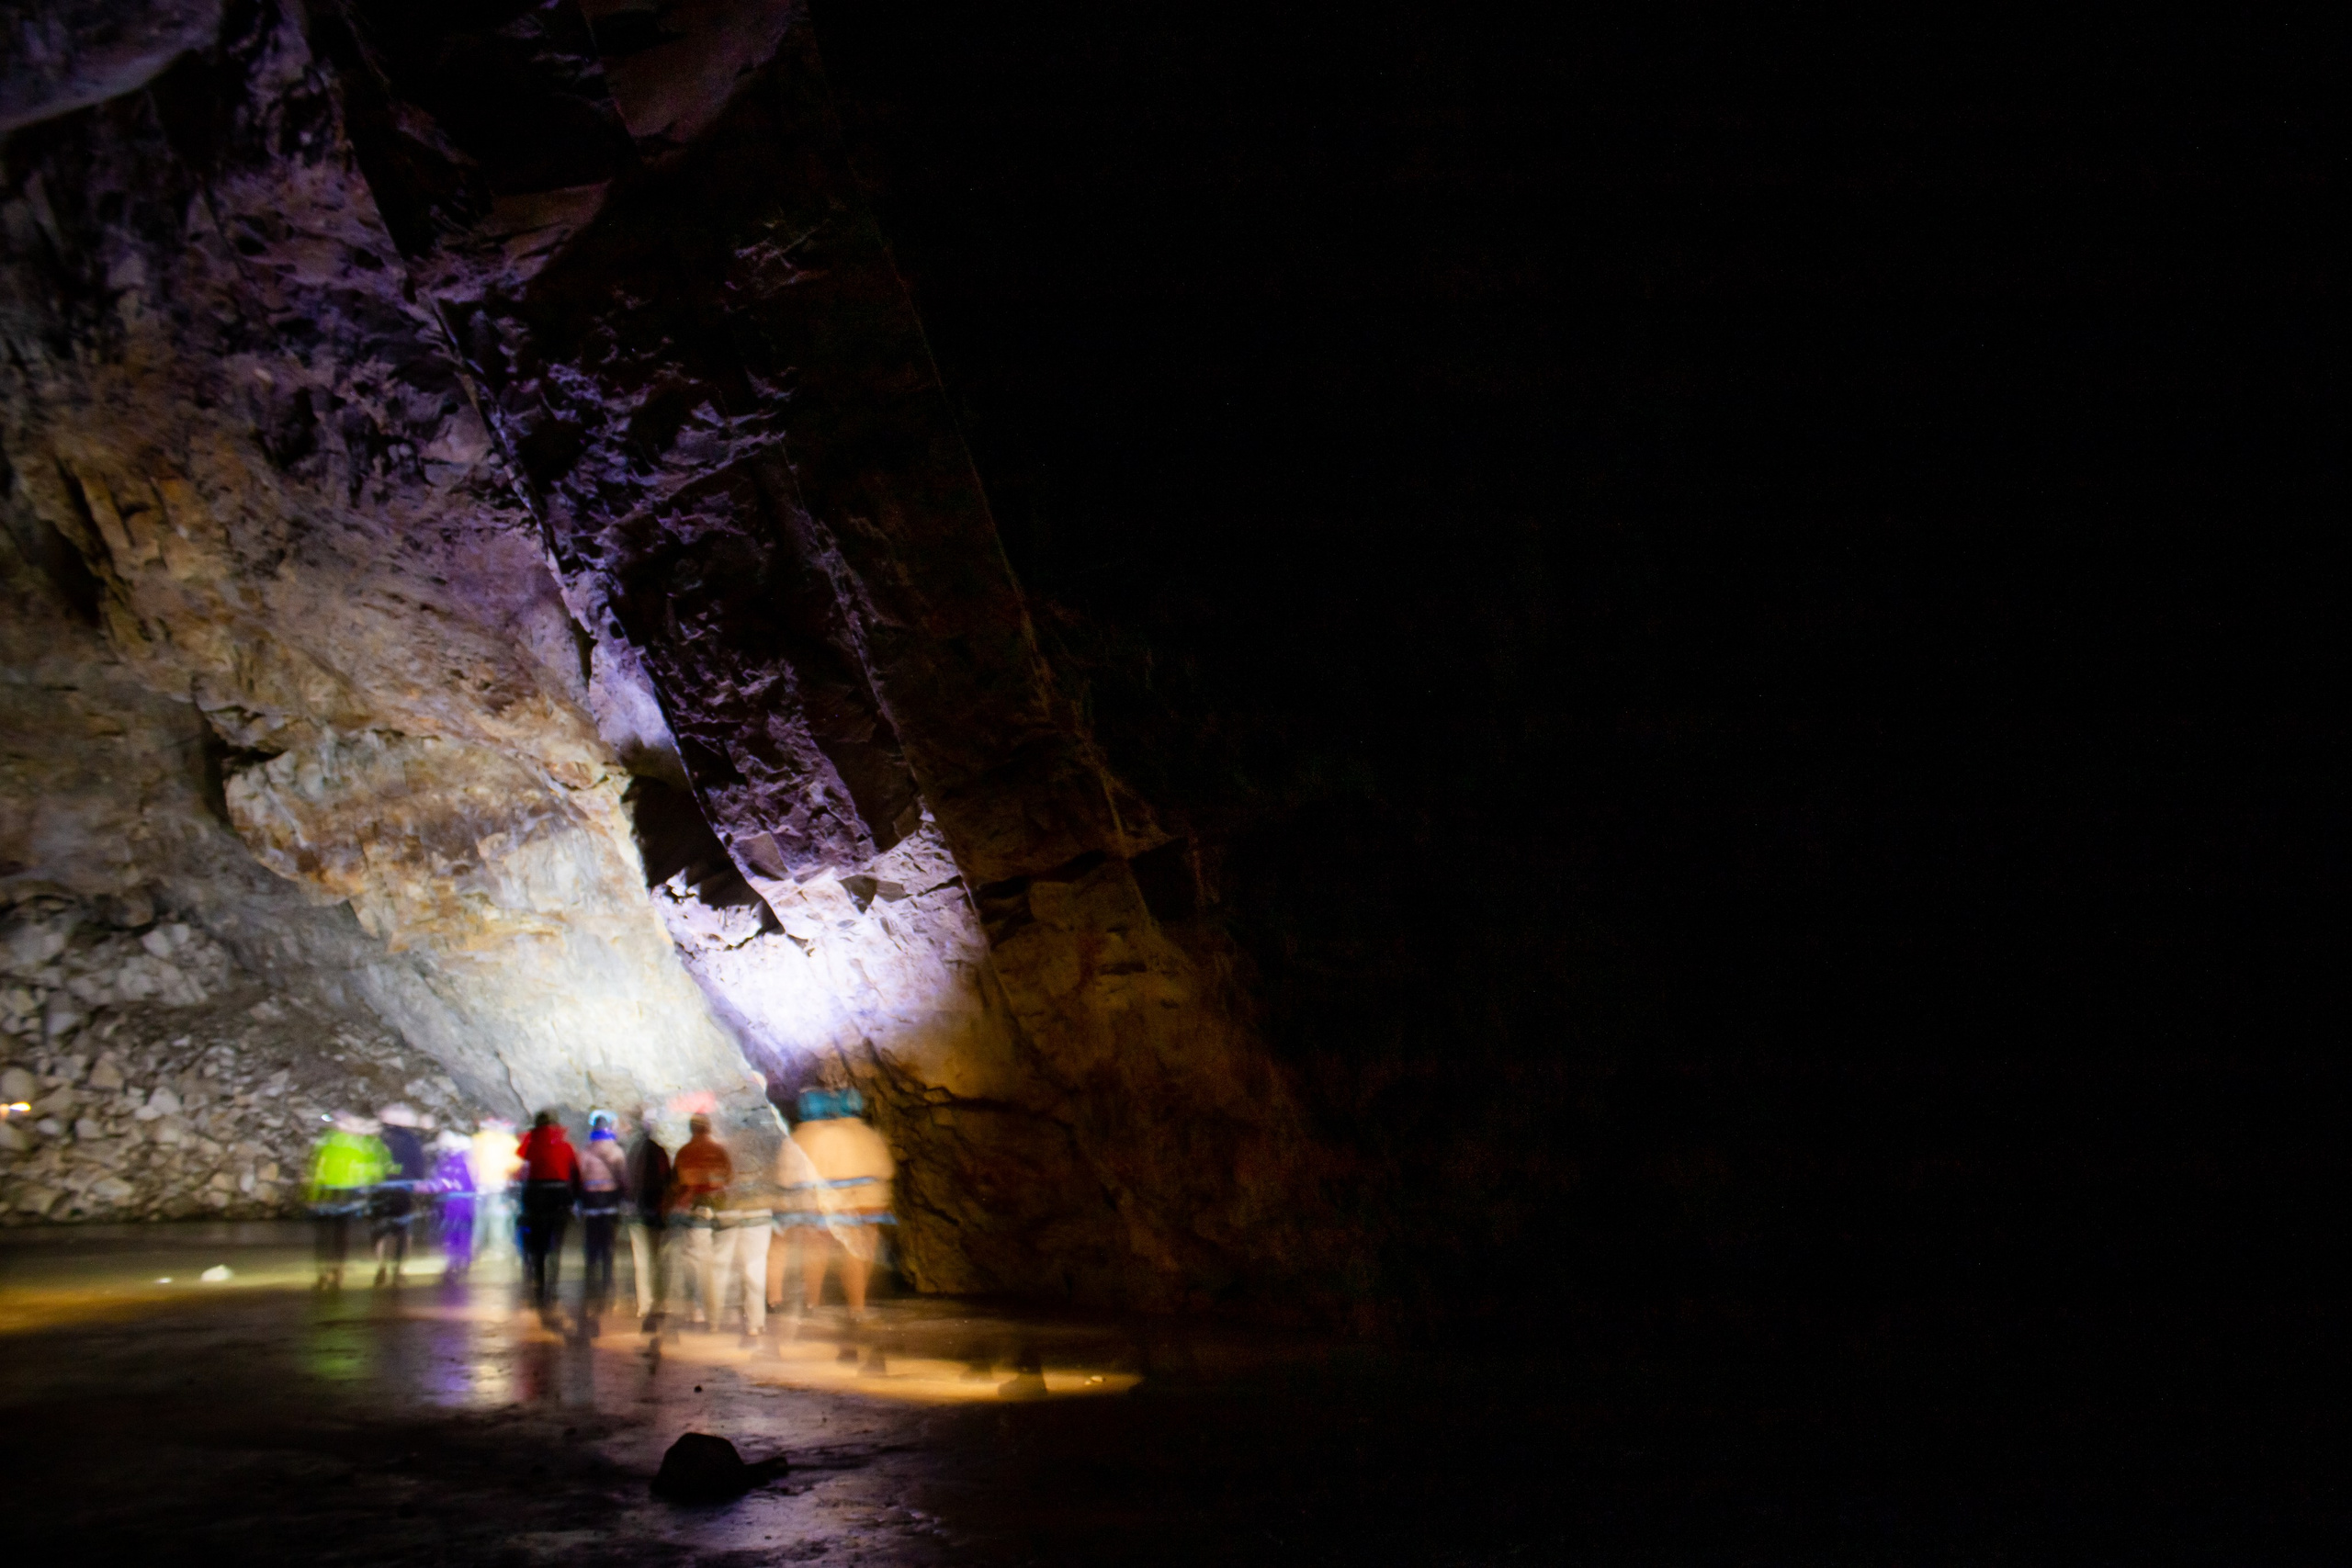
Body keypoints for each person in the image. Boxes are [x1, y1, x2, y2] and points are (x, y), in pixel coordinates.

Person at [786, 1087, 896, 1320]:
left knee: (817, 1253)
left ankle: (813, 1303)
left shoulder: (822, 1135)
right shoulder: (871, 1135)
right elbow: (885, 1170)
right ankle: (858, 1305)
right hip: (871, 1203)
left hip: (829, 1204)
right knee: (859, 1256)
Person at [663, 1113, 731, 1331]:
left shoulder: (684, 1152)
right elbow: (727, 1178)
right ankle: (716, 1312)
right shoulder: (719, 1151)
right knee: (716, 1263)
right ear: (708, 1129)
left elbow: (677, 1184)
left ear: (691, 1129)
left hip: (694, 1212)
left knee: (695, 1262)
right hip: (718, 1210)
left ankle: (698, 1307)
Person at [307, 1113, 390, 1291]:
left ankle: (326, 1273)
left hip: (330, 1192)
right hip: (344, 1193)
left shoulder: (327, 1142)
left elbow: (317, 1169)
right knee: (339, 1236)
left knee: (327, 1236)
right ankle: (336, 1273)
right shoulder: (356, 1145)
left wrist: (313, 1195)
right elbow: (369, 1171)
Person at [514, 1111, 581, 1316]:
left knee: (537, 1245)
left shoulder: (530, 1143)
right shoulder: (566, 1146)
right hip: (559, 1197)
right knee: (556, 1245)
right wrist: (574, 1200)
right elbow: (575, 1174)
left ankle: (539, 1285)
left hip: (534, 1197)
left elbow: (521, 1171)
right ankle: (552, 1288)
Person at [578, 1111, 628, 1320]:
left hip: (590, 1202)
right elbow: (623, 1178)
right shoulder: (616, 1151)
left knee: (591, 1242)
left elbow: (579, 1176)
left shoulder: (586, 1151)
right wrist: (625, 1197)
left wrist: (578, 1201)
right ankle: (607, 1283)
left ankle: (590, 1284)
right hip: (609, 1202)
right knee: (608, 1244)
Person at [372, 1103, 429, 1286]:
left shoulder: (379, 1138)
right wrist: (418, 1181)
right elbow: (418, 1163)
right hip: (403, 1188)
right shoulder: (411, 1139)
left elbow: (372, 1161)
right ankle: (399, 1268)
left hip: (381, 1188)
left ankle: (381, 1265)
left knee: (380, 1229)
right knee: (403, 1230)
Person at [626, 1107, 672, 1326]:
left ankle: (645, 1305)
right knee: (655, 1258)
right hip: (654, 1210)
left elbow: (627, 1180)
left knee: (641, 1260)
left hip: (637, 1211)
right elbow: (667, 1179)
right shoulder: (659, 1152)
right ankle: (658, 1302)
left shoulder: (633, 1151)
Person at [429, 1128, 479, 1278]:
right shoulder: (447, 1158)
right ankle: (456, 1262)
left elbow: (468, 1180)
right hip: (453, 1203)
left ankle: (460, 1261)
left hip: (461, 1202)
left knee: (459, 1232)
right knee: (454, 1232)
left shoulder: (462, 1159)